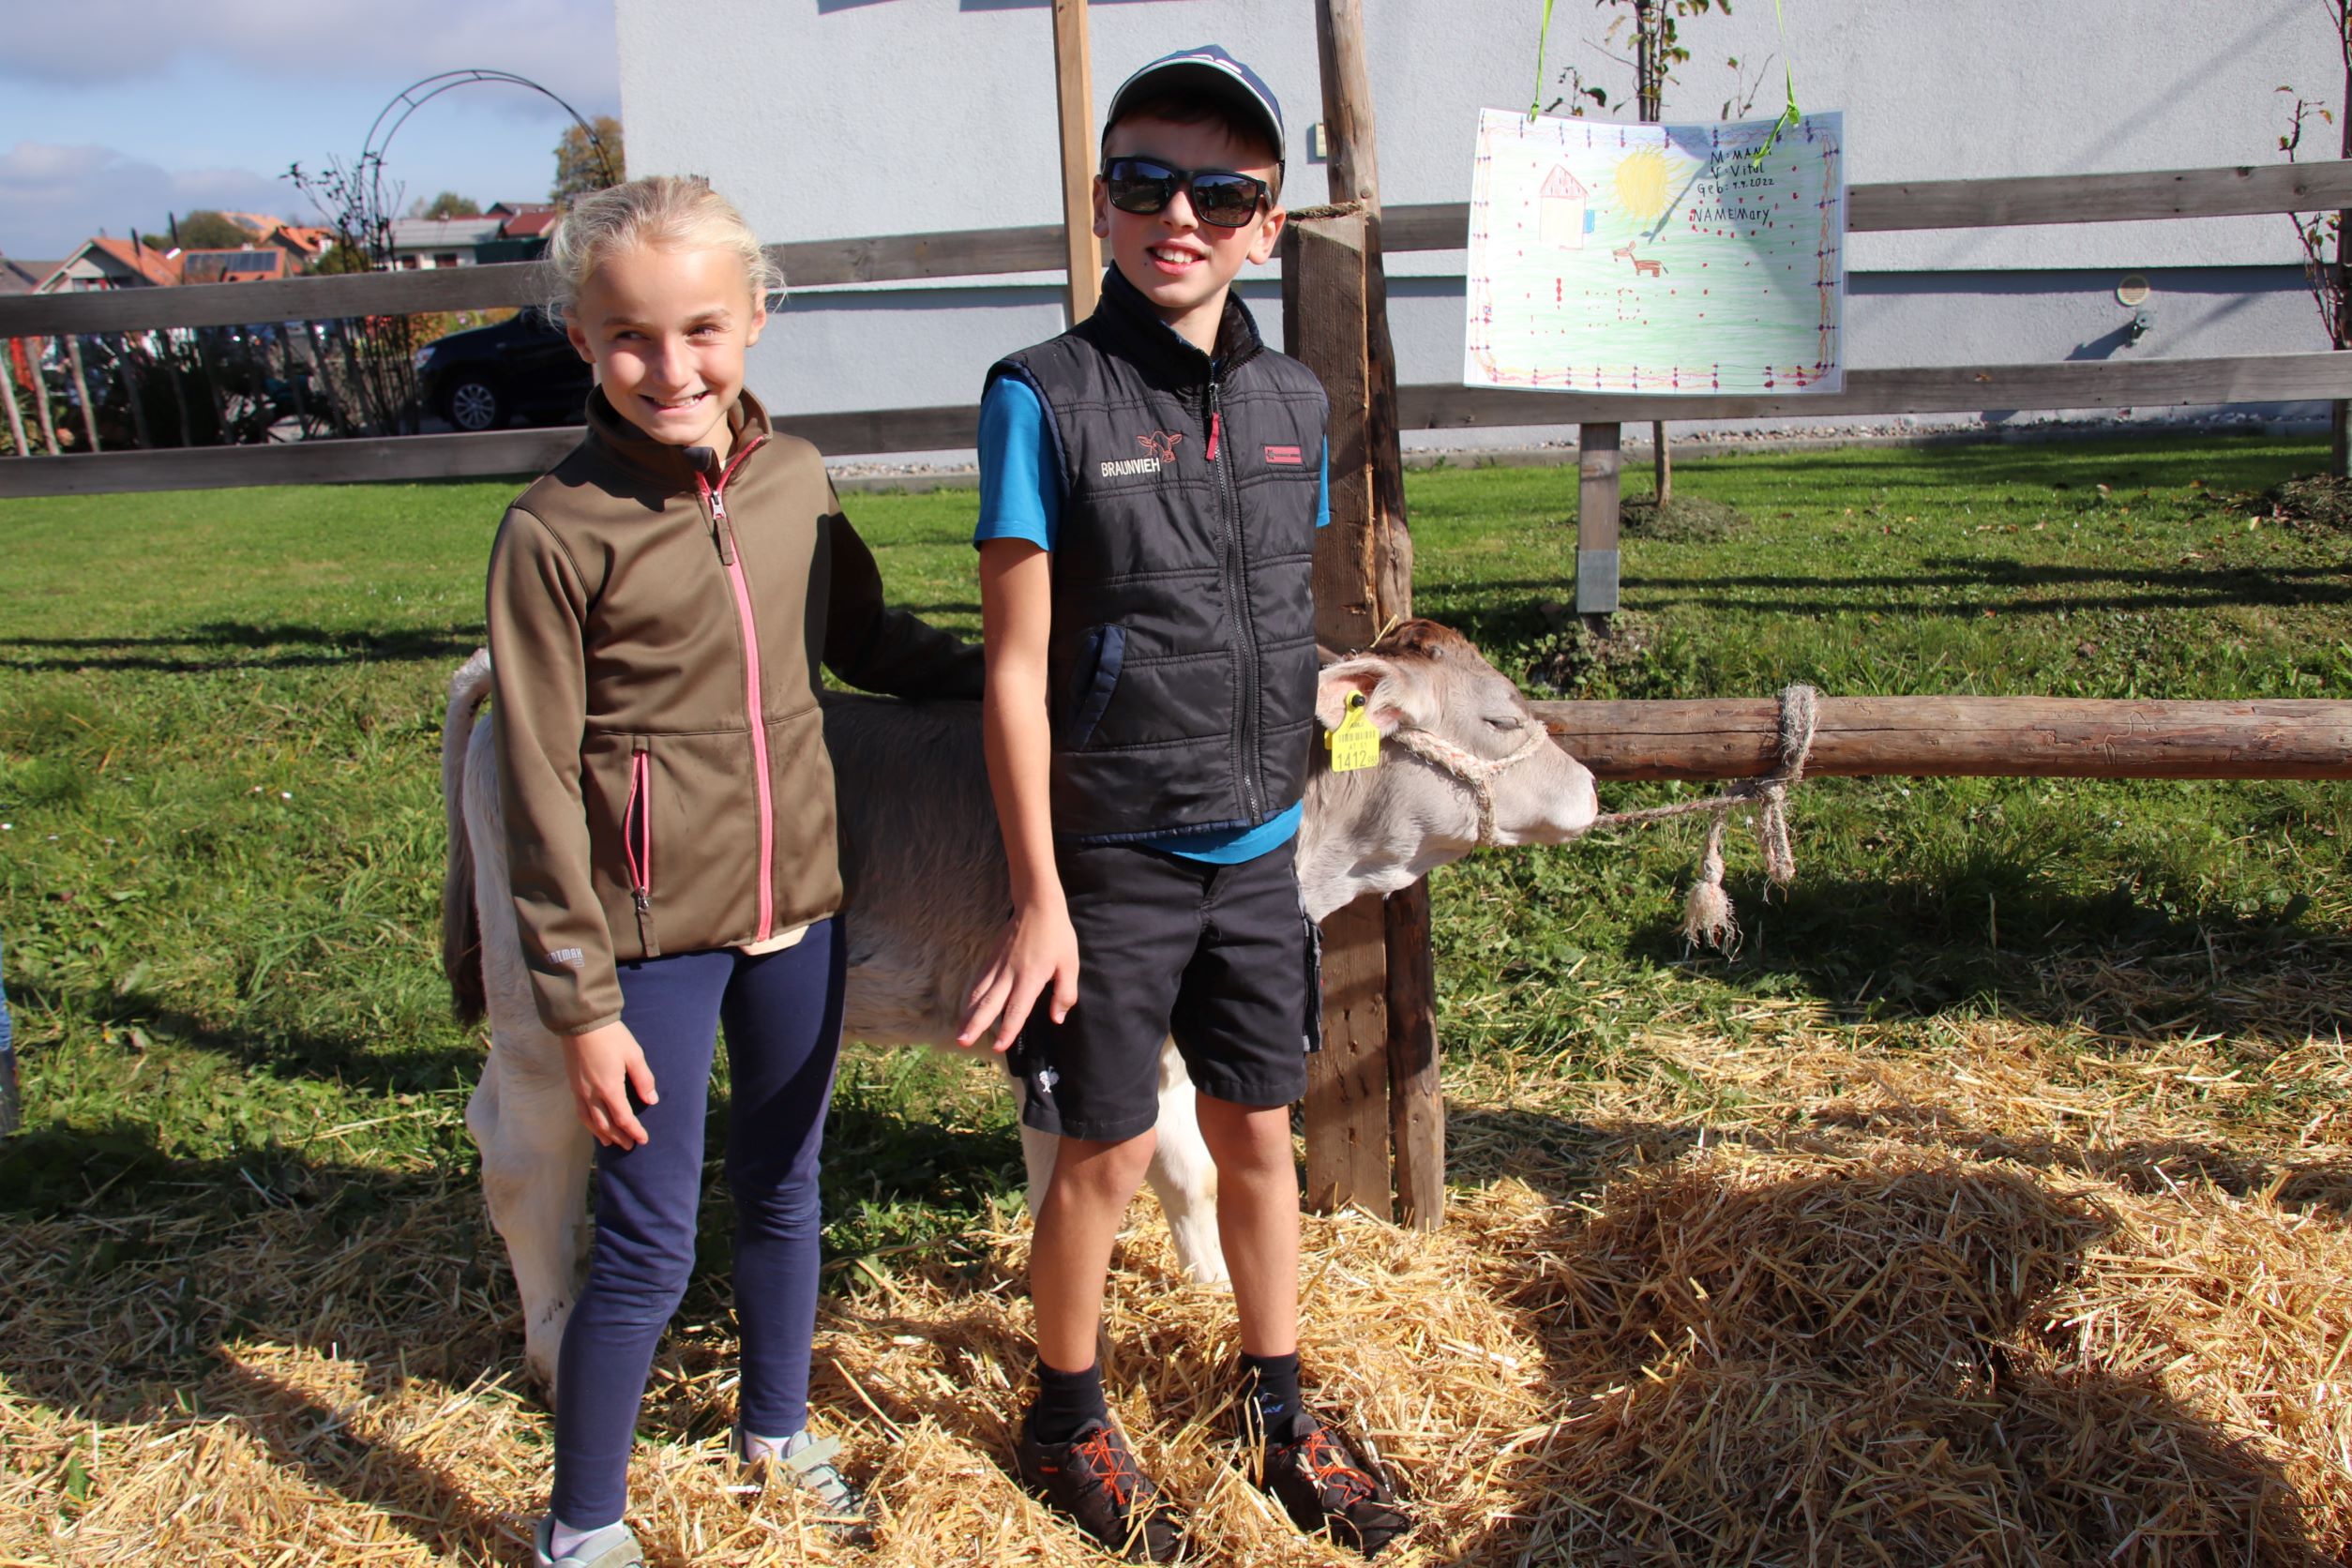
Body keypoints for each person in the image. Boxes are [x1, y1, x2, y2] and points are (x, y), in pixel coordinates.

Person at [957, 45, 1412, 1562]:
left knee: (1259, 1134)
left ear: (1266, 226)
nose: (1181, 217)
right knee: (1099, 1152)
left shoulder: (1294, 401)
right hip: (1114, 853)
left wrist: (1338, 744)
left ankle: (1278, 1408)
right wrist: (1039, 898)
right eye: (1148, 182)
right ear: (1101, 202)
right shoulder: (1040, 397)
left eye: (1221, 194)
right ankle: (1065, 1416)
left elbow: (1279, 611)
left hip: (1259, 848)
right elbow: (1013, 671)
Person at [486, 173, 980, 1568]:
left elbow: (867, 642)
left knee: (785, 1187)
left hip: (801, 912)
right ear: (582, 339)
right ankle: (583, 1524)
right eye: (630, 337)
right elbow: (537, 784)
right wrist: (579, 1005)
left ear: (755, 317)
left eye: (701, 328)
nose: (671, 367)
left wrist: (1019, 685)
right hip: (648, 942)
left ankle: (775, 1435)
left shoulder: (795, 480)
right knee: (648, 1242)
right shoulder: (553, 531)